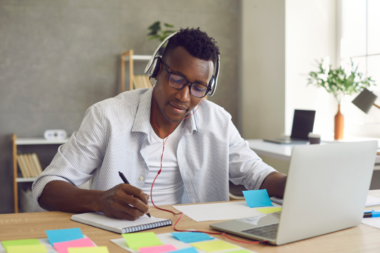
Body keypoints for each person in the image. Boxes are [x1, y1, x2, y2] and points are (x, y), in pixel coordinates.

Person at [32, 28, 287, 221]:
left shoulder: (218, 121)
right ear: (156, 71)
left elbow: (255, 173)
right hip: (120, 237)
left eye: (198, 87)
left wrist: (292, 184)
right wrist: (100, 200)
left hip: (193, 236)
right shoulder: (107, 116)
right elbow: (46, 187)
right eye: (176, 79)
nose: (184, 97)